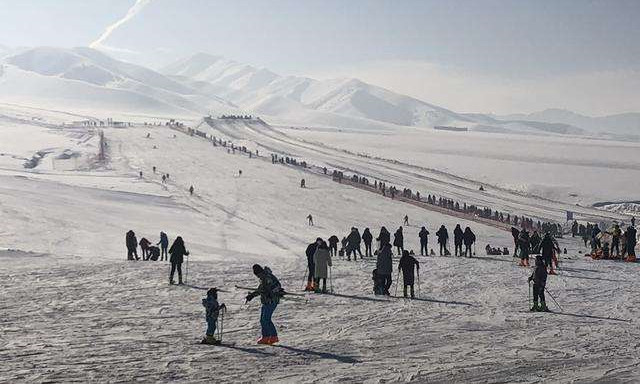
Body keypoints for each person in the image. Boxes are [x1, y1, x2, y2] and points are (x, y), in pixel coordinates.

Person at [245, 264, 283, 345]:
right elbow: (261, 289)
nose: (257, 276)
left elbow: (273, 287)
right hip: (266, 301)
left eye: (257, 274)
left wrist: (271, 292)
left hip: (271, 301)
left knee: (266, 319)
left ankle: (273, 336)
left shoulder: (266, 277)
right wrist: (252, 295)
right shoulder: (264, 277)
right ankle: (266, 337)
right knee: (263, 319)